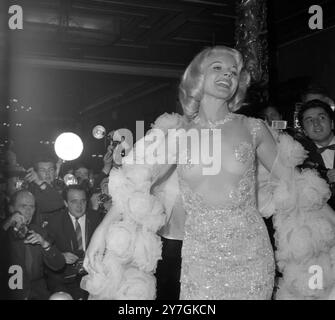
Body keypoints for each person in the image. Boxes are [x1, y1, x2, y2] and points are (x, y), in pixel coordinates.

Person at [84, 46, 285, 300]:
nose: (227, 75)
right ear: (199, 76)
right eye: (218, 68)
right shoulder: (178, 133)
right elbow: (137, 184)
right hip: (200, 255)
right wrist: (102, 230)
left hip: (251, 251)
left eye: (233, 72)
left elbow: (294, 182)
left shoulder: (254, 128)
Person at [0, 190, 65, 300]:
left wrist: (44, 244)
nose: (28, 211)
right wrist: (8, 223)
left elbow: (59, 265)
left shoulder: (40, 232)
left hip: (37, 293)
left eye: (32, 206)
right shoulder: (4, 230)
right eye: (23, 206)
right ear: (11, 208)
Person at [45, 185, 102, 300]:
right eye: (74, 201)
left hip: (93, 276)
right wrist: (61, 256)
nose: (79, 206)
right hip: (64, 280)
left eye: (83, 201)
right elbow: (45, 252)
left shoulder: (97, 218)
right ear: (65, 203)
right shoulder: (54, 222)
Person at [296, 99, 335, 210]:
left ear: (332, 123)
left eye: (321, 117)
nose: (316, 123)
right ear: (304, 131)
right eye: (309, 120)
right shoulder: (299, 156)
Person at [26, 154, 65, 223]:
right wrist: (39, 182)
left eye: (51, 169)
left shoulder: (62, 186)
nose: (47, 173)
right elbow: (58, 203)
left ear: (55, 172)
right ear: (36, 173)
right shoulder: (32, 190)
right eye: (42, 170)